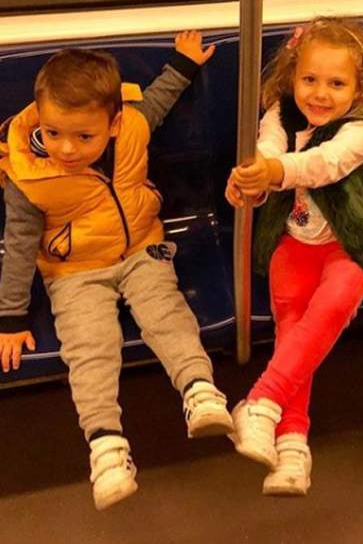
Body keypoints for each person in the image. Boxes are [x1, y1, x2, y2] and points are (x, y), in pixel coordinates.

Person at [0, 31, 233, 510]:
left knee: (166, 313)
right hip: (74, 269)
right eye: (53, 133)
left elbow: (157, 101)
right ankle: (105, 444)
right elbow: (19, 244)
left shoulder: (133, 127)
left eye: (83, 137)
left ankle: (199, 389)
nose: (66, 149)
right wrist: (11, 316)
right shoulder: (29, 176)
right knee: (90, 346)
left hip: (141, 246)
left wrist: (183, 64)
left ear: (113, 125)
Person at [225, 17, 363, 496]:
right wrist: (250, 182)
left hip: (349, 244)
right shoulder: (279, 116)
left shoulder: (359, 129)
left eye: (336, 84)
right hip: (293, 241)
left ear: (359, 87)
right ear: (292, 77)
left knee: (334, 302)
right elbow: (266, 152)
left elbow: (324, 164)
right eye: (309, 79)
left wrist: (272, 170)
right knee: (294, 328)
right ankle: (292, 444)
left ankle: (261, 400)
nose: (320, 94)